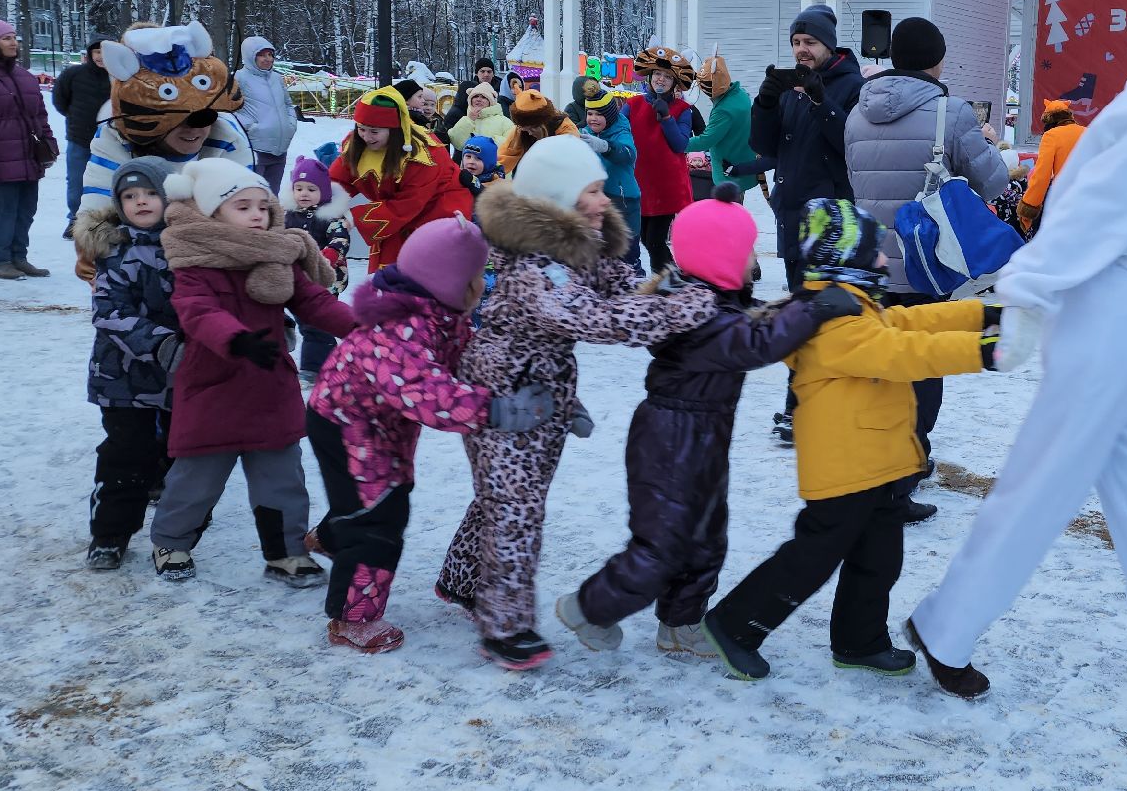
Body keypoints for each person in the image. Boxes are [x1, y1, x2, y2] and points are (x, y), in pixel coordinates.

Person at [907, 4, 1127, 699]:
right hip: (1113, 319)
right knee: (1046, 483)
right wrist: (1028, 293)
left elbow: (1076, 204)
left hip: (1124, 317)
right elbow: (1088, 214)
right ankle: (946, 623)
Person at [436, 137, 719, 669]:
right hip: (505, 399)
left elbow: (623, 288)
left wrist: (668, 288)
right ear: (558, 201)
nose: (602, 199)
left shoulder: (579, 246)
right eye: (590, 191)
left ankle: (462, 579)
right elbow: (596, 318)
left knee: (502, 497)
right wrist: (684, 312)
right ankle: (505, 627)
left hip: (543, 394)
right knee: (516, 508)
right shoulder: (536, 267)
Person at [553, 189, 864, 658]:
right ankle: (589, 607)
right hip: (667, 441)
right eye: (747, 254)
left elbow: (755, 318)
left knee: (705, 537)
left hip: (702, 441)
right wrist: (814, 309)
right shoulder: (695, 316)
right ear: (723, 259)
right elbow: (755, 343)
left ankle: (680, 622)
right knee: (662, 545)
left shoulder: (713, 303)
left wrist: (800, 300)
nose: (753, 263)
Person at [700, 199, 1000, 682]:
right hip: (843, 469)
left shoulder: (852, 304)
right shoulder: (828, 320)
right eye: (876, 252)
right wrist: (984, 352)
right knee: (810, 559)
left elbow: (907, 323)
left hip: (876, 464)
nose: (884, 260)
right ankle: (735, 625)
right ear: (848, 258)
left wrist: (979, 314)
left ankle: (859, 641)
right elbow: (899, 352)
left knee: (879, 560)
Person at [306, 218, 554, 653]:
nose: (485, 285)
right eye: (480, 278)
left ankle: (329, 536)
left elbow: (467, 357)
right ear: (453, 282)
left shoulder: (435, 310)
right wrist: (497, 409)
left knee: (373, 501)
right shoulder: (400, 328)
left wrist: (531, 390)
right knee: (379, 521)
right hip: (348, 426)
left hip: (379, 427)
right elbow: (429, 394)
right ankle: (352, 619)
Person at [148, 158, 358, 583]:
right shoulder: (194, 262)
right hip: (213, 386)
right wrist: (236, 339)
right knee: (197, 480)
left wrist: (363, 328)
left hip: (269, 386)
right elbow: (197, 311)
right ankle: (171, 541)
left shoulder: (278, 257)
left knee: (282, 478)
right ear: (212, 212)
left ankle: (285, 552)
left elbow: (315, 302)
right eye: (242, 206)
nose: (257, 215)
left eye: (262, 206)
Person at [844, 16, 1008, 509]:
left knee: (878, 364)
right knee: (920, 369)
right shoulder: (950, 114)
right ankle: (902, 473)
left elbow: (858, 186)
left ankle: (875, 459)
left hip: (870, 265)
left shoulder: (856, 113)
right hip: (926, 266)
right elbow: (995, 183)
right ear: (936, 61)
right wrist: (989, 143)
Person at [75, 22, 254, 281]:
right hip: (140, 261)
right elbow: (99, 200)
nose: (193, 129)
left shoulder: (226, 137)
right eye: (173, 119)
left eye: (202, 116)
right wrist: (96, 248)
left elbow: (245, 206)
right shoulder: (116, 138)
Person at [76, 156, 181, 570]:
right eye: (130, 196)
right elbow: (108, 311)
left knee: (180, 452)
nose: (140, 201)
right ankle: (110, 534)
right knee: (124, 454)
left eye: (150, 193)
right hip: (122, 378)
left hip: (183, 374)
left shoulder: (193, 243)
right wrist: (161, 342)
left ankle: (178, 533)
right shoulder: (113, 249)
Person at [748, 4, 865, 293]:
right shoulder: (792, 86)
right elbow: (765, 147)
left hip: (830, 219)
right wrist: (765, 104)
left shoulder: (855, 85)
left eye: (810, 43)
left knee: (827, 314)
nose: (802, 49)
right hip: (791, 214)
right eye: (796, 43)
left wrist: (820, 101)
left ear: (828, 45)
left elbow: (852, 145)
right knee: (798, 307)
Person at [328, 84, 474, 273]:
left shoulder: (425, 156)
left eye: (374, 131)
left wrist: (353, 217)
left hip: (438, 212)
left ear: (394, 129)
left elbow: (408, 204)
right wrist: (314, 200)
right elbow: (337, 179)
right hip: (399, 213)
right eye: (361, 128)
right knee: (393, 274)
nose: (365, 136)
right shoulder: (356, 143)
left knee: (420, 275)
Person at [0, 15, 57, 279]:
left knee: (27, 208)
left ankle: (18, 257)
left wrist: (49, 145)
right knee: (5, 208)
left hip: (28, 154)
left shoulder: (23, 75)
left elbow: (40, 115)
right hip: (0, 157)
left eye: (14, 37)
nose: (14, 43)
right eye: (6, 38)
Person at [626, 46, 700, 273]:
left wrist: (666, 117)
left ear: (675, 83)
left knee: (655, 240)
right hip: (640, 182)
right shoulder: (633, 105)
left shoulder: (683, 109)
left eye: (668, 76)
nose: (661, 79)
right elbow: (619, 131)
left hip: (667, 185)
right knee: (646, 239)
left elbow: (680, 144)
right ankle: (672, 280)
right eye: (658, 73)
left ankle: (669, 285)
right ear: (649, 76)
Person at [281, 157, 352, 383]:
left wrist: (328, 256)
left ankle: (315, 368)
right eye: (298, 188)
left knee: (316, 323)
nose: (304, 193)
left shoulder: (330, 217)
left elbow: (341, 239)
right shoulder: (288, 216)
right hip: (297, 278)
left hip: (326, 278)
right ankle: (323, 356)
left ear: (324, 192)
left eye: (311, 189)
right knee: (304, 319)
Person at [52, 34, 114, 234]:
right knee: (77, 181)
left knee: (109, 180)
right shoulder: (73, 74)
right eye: (97, 51)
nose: (101, 56)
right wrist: (76, 118)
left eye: (106, 51)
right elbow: (60, 101)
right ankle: (75, 219)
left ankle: (108, 219)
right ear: (90, 53)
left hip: (111, 140)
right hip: (79, 139)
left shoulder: (120, 76)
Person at [580, 95, 642, 269]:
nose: (593, 118)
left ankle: (634, 278)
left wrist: (605, 146)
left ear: (610, 115)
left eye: (599, 114)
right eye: (590, 113)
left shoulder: (621, 131)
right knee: (602, 253)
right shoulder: (585, 133)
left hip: (623, 199)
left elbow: (628, 154)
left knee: (627, 250)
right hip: (596, 199)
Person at [687, 52, 762, 194]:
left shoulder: (723, 111)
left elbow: (706, 141)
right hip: (744, 163)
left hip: (730, 173)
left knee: (730, 212)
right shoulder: (739, 93)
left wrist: (678, 144)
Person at [235, 37, 297, 189]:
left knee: (272, 198)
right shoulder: (239, 78)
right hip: (255, 149)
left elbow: (288, 104)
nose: (268, 59)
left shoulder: (276, 78)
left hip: (280, 149)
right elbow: (229, 109)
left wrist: (291, 123)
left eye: (270, 55)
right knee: (253, 196)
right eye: (262, 55)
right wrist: (251, 126)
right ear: (250, 56)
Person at [1016, 99, 1083, 233]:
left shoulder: (1051, 136)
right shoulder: (1087, 132)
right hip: (1087, 199)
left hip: (1062, 199)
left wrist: (1028, 208)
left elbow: (1041, 176)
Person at [499, 88, 580, 175]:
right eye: (525, 129)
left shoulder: (565, 128)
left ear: (543, 122)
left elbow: (569, 157)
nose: (529, 133)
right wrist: (491, 174)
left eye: (533, 128)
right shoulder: (520, 128)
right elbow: (506, 155)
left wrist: (542, 139)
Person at [443, 82, 513, 151]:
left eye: (483, 97)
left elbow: (512, 144)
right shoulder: (465, 120)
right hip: (469, 162)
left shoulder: (504, 121)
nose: (478, 99)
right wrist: (469, 120)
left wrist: (487, 142)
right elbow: (457, 143)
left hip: (495, 162)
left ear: (491, 101)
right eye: (475, 96)